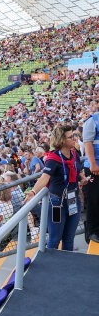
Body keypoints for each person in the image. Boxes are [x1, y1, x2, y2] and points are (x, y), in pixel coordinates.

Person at [25, 123, 90, 250]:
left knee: (69, 238)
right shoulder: (53, 158)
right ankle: (51, 267)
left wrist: (82, 178)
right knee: (54, 239)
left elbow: (78, 170)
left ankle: (65, 266)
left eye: (74, 136)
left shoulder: (74, 153)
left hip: (73, 200)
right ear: (61, 140)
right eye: (71, 137)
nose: (75, 139)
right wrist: (33, 192)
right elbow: (44, 177)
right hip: (57, 204)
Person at [82, 102, 99, 243]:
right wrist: (93, 163)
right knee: (93, 200)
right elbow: (88, 143)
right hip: (94, 168)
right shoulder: (92, 120)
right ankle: (92, 232)